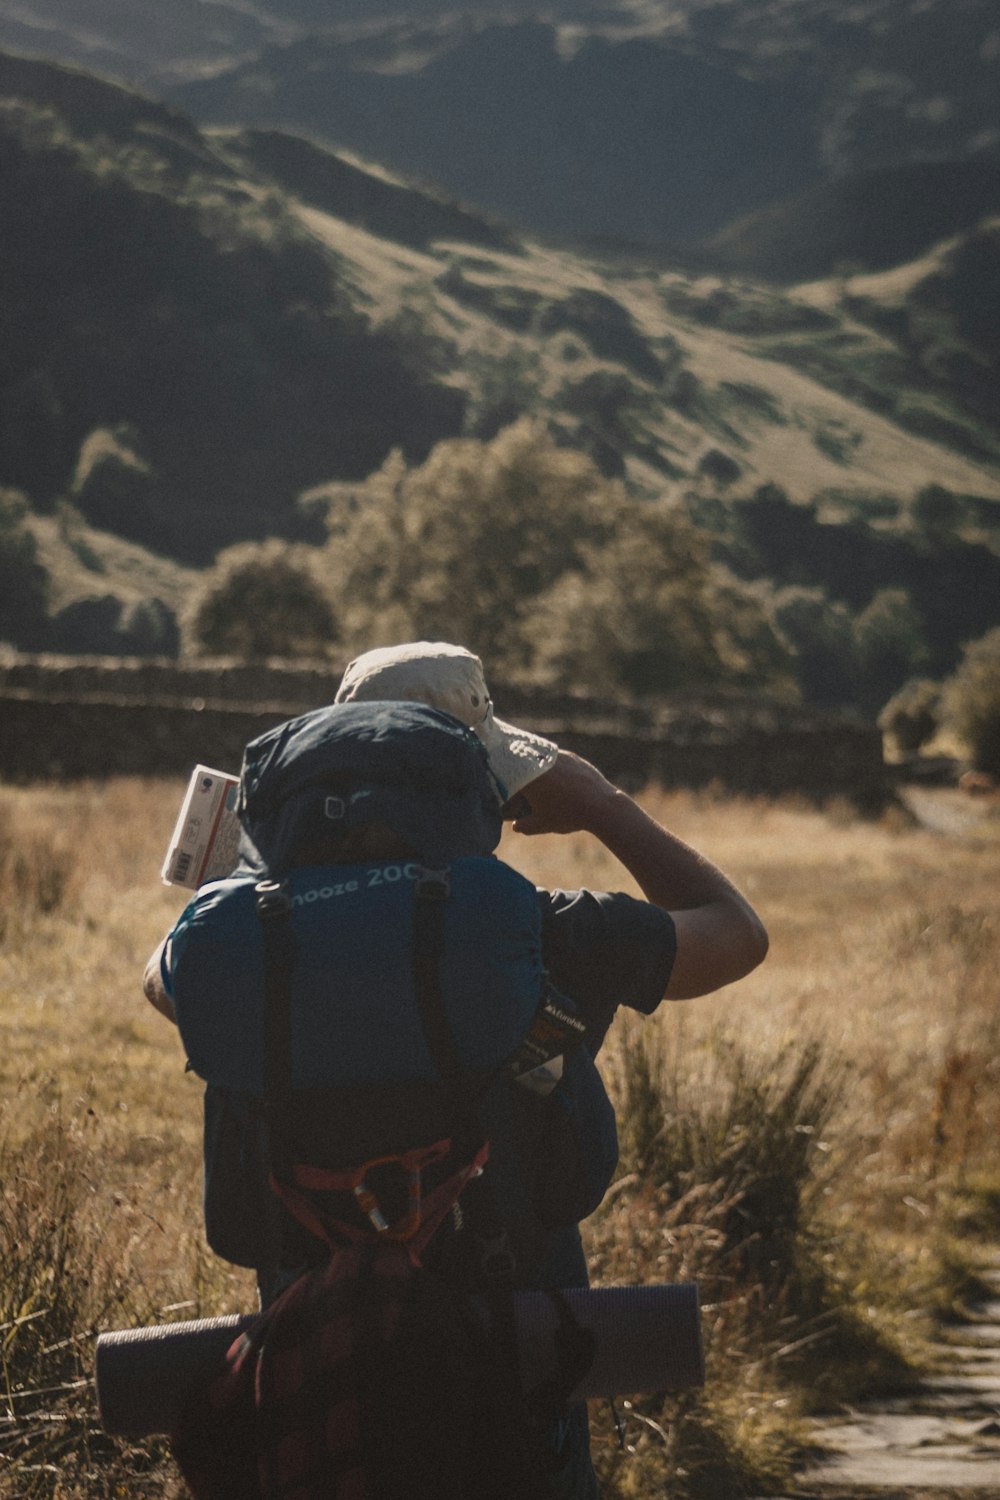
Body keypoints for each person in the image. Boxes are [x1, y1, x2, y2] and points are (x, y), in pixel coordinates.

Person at [143, 644, 767, 1498]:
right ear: (478, 784)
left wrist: (263, 875)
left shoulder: (241, 958)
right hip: (515, 1350)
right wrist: (600, 804)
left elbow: (162, 979)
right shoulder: (545, 934)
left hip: (311, 1357)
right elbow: (734, 934)